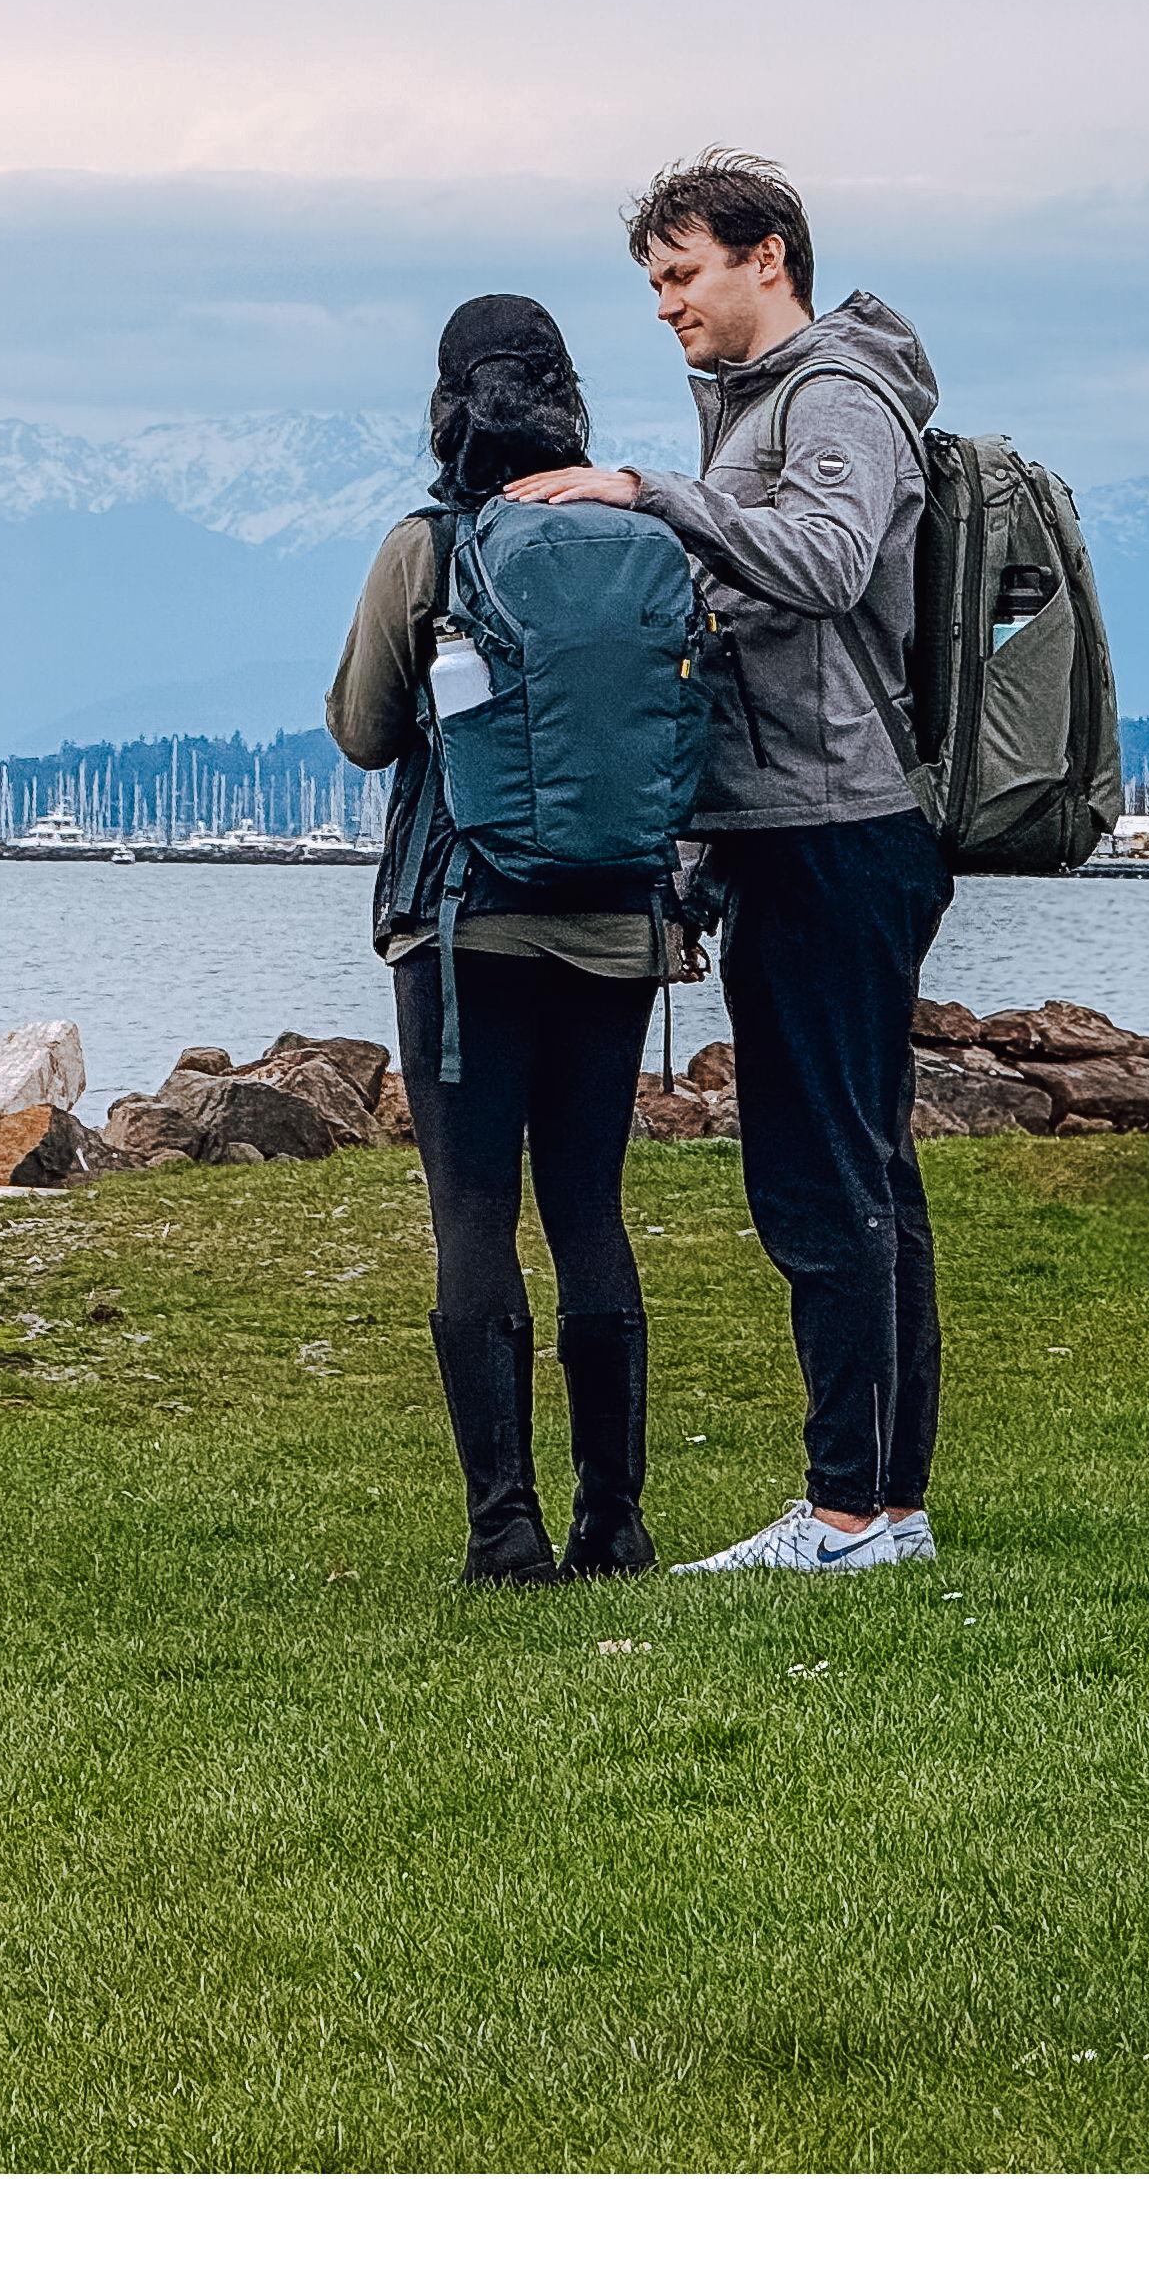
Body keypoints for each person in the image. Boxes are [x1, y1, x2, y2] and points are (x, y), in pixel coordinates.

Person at [504, 150, 950, 1576]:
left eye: (683, 274)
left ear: (770, 258)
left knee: (828, 1181)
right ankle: (881, 1506)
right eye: (653, 284)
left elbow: (821, 564)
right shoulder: (762, 407)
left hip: (836, 832)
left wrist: (647, 495)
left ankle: (845, 1514)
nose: (666, 306)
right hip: (793, 832)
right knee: (864, 1170)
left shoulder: (833, 398)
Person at [329, 295, 669, 1588]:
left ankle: (503, 1530)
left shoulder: (427, 548)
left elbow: (365, 728)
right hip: (614, 927)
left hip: (459, 930)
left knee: (473, 1211)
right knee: (589, 1206)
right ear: (568, 396)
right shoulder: (632, 537)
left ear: (445, 400)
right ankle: (615, 1522)